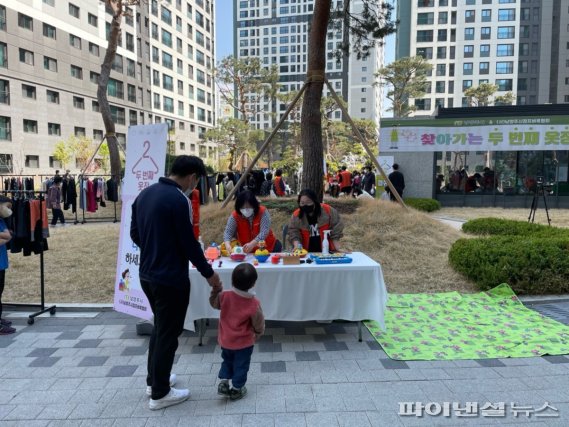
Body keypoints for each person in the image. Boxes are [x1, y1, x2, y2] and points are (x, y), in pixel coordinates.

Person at [130, 155, 223, 411]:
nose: (195, 186)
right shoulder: (179, 199)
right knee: (169, 334)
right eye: (197, 181)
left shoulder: (144, 194)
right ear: (192, 177)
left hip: (147, 275)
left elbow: (134, 233)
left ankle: (155, 380)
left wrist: (155, 247)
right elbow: (188, 243)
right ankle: (160, 394)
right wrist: (209, 274)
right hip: (170, 278)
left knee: (160, 328)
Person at [209, 263, 264, 401]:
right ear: (253, 284)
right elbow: (258, 322)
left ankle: (224, 382)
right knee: (241, 365)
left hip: (226, 340)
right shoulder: (253, 303)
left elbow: (213, 303)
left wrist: (216, 289)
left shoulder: (224, 296)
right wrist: (258, 333)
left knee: (227, 360)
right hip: (244, 343)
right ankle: (237, 389)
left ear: (232, 280)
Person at [0, 196, 14, 335]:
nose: (9, 210)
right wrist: (6, 236)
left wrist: (6, 236)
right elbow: (6, 236)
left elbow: (7, 236)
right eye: (7, 207)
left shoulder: (1, 220)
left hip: (2, 263)